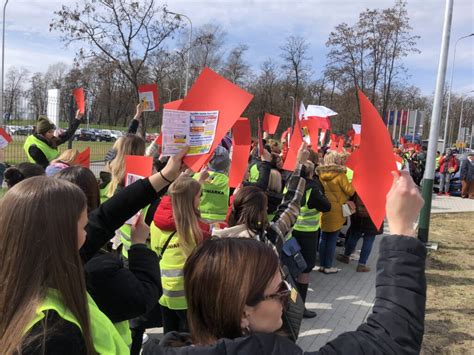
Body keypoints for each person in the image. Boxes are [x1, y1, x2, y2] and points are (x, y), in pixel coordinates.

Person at [143, 170, 426, 355]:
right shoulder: (267, 236)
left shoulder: (217, 239)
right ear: (243, 311)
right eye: (279, 291)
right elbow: (389, 339)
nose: (287, 299)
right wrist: (402, 231)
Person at [0, 147, 188, 354]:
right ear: (61, 236)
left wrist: (165, 176)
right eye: (82, 227)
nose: (88, 233)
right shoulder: (52, 335)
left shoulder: (32, 268)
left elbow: (107, 217)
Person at [151, 176, 211, 334]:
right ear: (190, 200)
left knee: (169, 335)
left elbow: (155, 250)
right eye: (199, 196)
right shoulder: (192, 230)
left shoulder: (155, 224)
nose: (200, 200)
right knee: (190, 338)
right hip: (187, 294)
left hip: (164, 289)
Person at [290, 160, 331, 318]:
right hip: (307, 234)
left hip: (291, 231)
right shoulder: (313, 188)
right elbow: (327, 206)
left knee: (291, 269)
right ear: (310, 173)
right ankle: (299, 309)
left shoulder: (291, 183)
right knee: (305, 271)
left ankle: (289, 304)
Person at [316, 151, 355, 274]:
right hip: (337, 210)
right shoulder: (340, 175)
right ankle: (328, 266)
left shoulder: (320, 174)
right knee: (332, 239)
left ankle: (321, 265)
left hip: (323, 208)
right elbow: (350, 191)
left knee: (323, 237)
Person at [336, 193, 383, 272]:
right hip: (374, 217)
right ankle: (361, 265)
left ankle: (346, 256)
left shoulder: (360, 185)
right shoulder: (381, 188)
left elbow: (350, 197)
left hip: (358, 216)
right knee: (368, 240)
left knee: (353, 237)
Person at [195, 145, 230, 222]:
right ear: (226, 163)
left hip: (199, 218)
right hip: (221, 221)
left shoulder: (196, 177)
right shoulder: (229, 182)